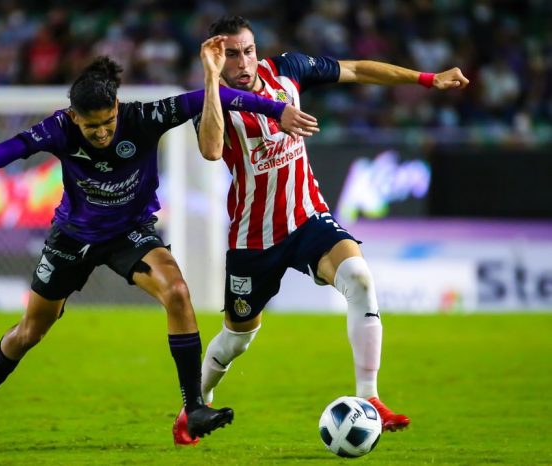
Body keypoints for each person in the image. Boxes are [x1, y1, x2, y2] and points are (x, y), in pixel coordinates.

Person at [0, 36, 319, 445]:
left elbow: (219, 97)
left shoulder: (144, 117)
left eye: (107, 123)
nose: (102, 133)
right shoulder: (58, 129)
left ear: (117, 107)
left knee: (177, 292)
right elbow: (12, 149)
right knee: (30, 331)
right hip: (72, 237)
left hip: (129, 233)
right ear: (74, 117)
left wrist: (277, 109)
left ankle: (194, 407)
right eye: (92, 127)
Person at [173, 15, 470, 445]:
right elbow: (211, 149)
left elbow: (357, 68)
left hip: (307, 218)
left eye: (248, 51)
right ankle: (193, 408)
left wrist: (427, 79)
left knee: (359, 278)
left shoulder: (288, 70)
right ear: (217, 58)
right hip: (253, 240)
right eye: (231, 55)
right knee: (238, 339)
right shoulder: (211, 101)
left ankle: (370, 399)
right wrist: (209, 75)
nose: (243, 62)